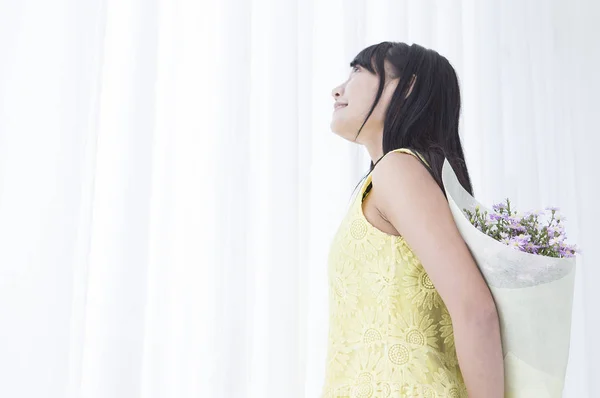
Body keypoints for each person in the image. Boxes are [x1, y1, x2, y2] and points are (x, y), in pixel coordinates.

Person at [322, 42, 504, 397]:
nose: (338, 89)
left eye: (359, 70)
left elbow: (476, 310)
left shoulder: (398, 170)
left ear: (406, 86)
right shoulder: (390, 177)